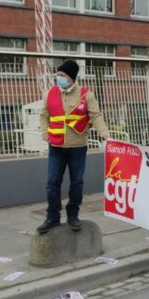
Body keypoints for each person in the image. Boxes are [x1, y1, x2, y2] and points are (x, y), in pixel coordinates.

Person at [38, 60, 109, 234]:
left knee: (76, 183)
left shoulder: (86, 95)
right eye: (57, 75)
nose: (58, 78)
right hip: (56, 147)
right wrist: (45, 134)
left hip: (78, 147)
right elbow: (43, 115)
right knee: (52, 183)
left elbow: (96, 116)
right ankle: (52, 217)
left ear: (71, 77)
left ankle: (73, 215)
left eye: (62, 75)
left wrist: (105, 134)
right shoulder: (50, 93)